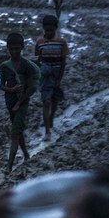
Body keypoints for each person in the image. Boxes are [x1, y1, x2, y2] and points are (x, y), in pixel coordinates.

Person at [0, 33, 40, 172]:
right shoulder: (5, 66)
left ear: (22, 48)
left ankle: (9, 166)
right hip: (9, 101)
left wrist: (19, 103)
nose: (14, 52)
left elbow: (31, 87)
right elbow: (2, 86)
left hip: (22, 103)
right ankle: (26, 154)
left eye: (17, 48)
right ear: (7, 48)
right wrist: (12, 89)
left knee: (14, 133)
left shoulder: (26, 66)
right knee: (18, 130)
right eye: (11, 49)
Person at [35, 14, 69, 142]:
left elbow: (63, 62)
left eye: (51, 30)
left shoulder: (61, 43)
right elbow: (38, 59)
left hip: (56, 75)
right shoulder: (40, 42)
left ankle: (51, 118)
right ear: (43, 29)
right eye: (46, 30)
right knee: (46, 101)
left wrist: (59, 79)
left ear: (56, 29)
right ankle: (47, 131)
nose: (49, 32)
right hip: (44, 76)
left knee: (54, 101)